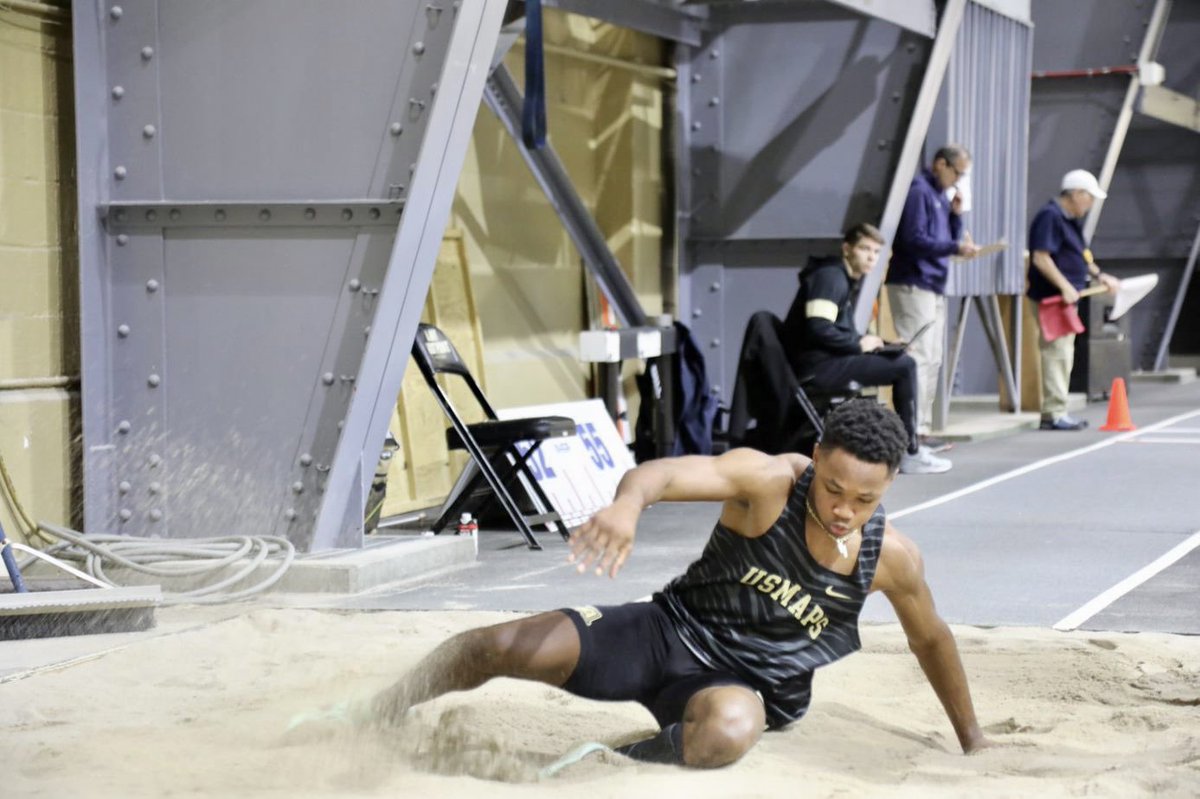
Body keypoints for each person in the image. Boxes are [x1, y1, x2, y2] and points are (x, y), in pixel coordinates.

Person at [344, 400, 992, 768]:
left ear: (890, 487)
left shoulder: (893, 560)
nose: (845, 507)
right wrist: (627, 508)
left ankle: (622, 760)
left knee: (728, 734)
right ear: (815, 458)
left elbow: (932, 640)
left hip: (741, 685)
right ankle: (376, 710)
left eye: (865, 497)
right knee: (502, 643)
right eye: (833, 487)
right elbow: (662, 474)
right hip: (667, 630)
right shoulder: (767, 482)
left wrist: (972, 736)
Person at [782, 223, 951, 475]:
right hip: (818, 369)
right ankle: (909, 452)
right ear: (847, 249)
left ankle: (909, 448)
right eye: (864, 249)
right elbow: (818, 327)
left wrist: (880, 343)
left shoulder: (841, 278)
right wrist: (858, 344)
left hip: (828, 361)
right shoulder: (830, 278)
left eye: (875, 252)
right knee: (905, 366)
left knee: (899, 358)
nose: (871, 257)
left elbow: (833, 330)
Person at [885, 145, 981, 452]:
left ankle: (921, 429)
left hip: (933, 284)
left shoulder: (939, 196)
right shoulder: (919, 192)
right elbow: (912, 239)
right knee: (919, 357)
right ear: (940, 164)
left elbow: (947, 240)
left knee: (933, 358)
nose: (957, 180)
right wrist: (954, 249)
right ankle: (910, 432)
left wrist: (955, 217)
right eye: (957, 172)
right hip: (914, 283)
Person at [1027, 169, 1119, 430]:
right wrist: (1065, 286)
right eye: (1089, 197)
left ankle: (1058, 409)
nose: (1090, 204)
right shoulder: (1050, 217)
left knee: (1064, 353)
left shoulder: (1069, 220)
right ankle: (1054, 412)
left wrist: (1100, 275)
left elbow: (1081, 255)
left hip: (1065, 298)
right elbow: (1041, 257)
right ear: (1076, 194)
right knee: (1056, 353)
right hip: (1052, 299)